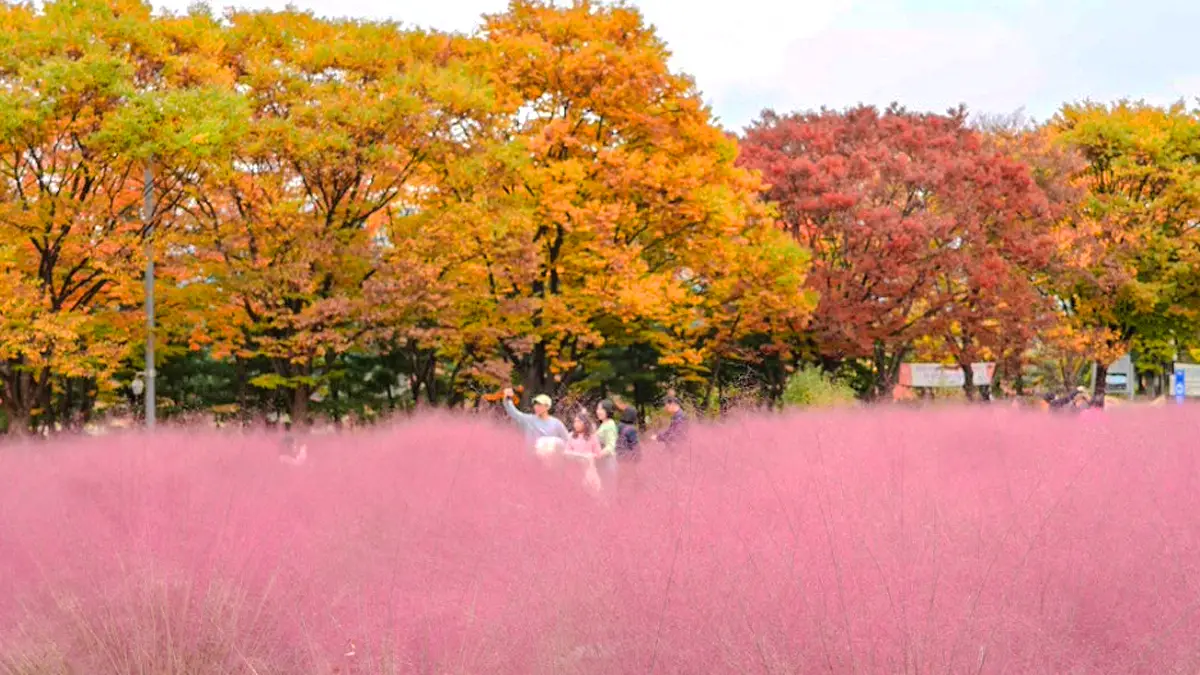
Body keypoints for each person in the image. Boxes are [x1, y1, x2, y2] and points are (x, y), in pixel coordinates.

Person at [503, 387, 569, 451]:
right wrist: (508, 398)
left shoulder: (556, 424)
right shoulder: (529, 420)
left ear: (547, 407)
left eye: (540, 404)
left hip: (549, 459)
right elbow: (514, 413)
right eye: (535, 404)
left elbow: (567, 441)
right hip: (530, 459)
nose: (536, 407)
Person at [594, 400, 619, 491]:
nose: (598, 411)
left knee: (607, 490)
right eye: (597, 409)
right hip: (603, 462)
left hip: (608, 462)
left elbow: (611, 446)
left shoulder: (610, 425)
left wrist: (598, 454)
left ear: (607, 410)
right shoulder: (604, 424)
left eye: (601, 409)